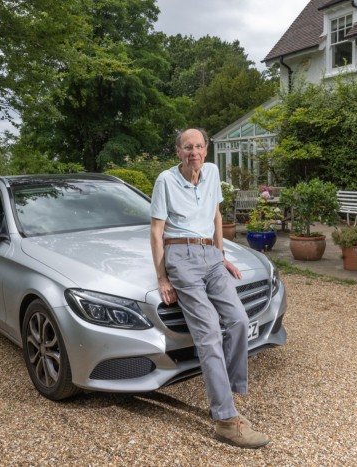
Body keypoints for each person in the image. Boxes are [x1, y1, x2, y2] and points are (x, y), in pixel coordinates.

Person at [149, 128, 270, 449]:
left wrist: (222, 254)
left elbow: (215, 214)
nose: (194, 152)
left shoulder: (213, 172)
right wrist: (162, 277)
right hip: (181, 255)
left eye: (199, 146)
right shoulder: (165, 181)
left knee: (238, 321)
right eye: (187, 147)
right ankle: (226, 420)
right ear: (178, 152)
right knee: (209, 334)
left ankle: (226, 389)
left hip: (210, 255)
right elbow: (156, 230)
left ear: (206, 150)